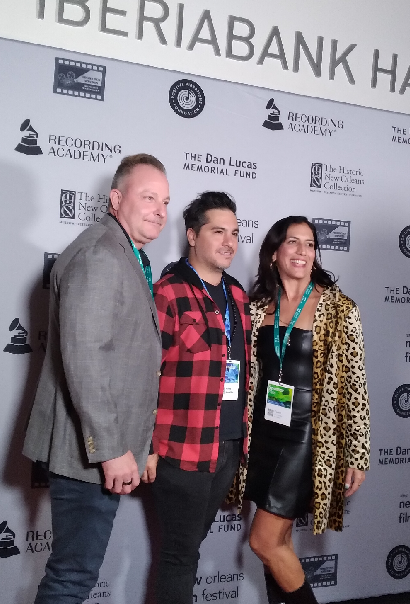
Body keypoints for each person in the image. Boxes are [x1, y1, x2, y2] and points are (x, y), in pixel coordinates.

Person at [22, 154, 170, 604]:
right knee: (72, 577)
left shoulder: (124, 253)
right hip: (88, 451)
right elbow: (85, 357)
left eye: (165, 202)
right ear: (116, 199)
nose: (159, 211)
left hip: (104, 447)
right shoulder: (101, 254)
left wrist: (137, 445)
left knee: (74, 574)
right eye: (149, 197)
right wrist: (110, 449)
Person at [244, 216, 370, 604]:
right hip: (264, 433)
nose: (302, 251)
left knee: (263, 541)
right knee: (278, 543)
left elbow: (355, 386)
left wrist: (358, 454)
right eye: (293, 242)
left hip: (306, 437)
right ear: (274, 252)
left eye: (310, 244)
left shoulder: (339, 309)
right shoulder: (257, 307)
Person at [150, 192, 251, 604]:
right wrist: (146, 447)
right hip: (183, 446)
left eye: (235, 233)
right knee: (180, 555)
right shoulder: (169, 292)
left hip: (228, 446)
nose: (229, 242)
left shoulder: (238, 296)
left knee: (189, 549)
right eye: (218, 232)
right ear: (192, 235)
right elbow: (145, 375)